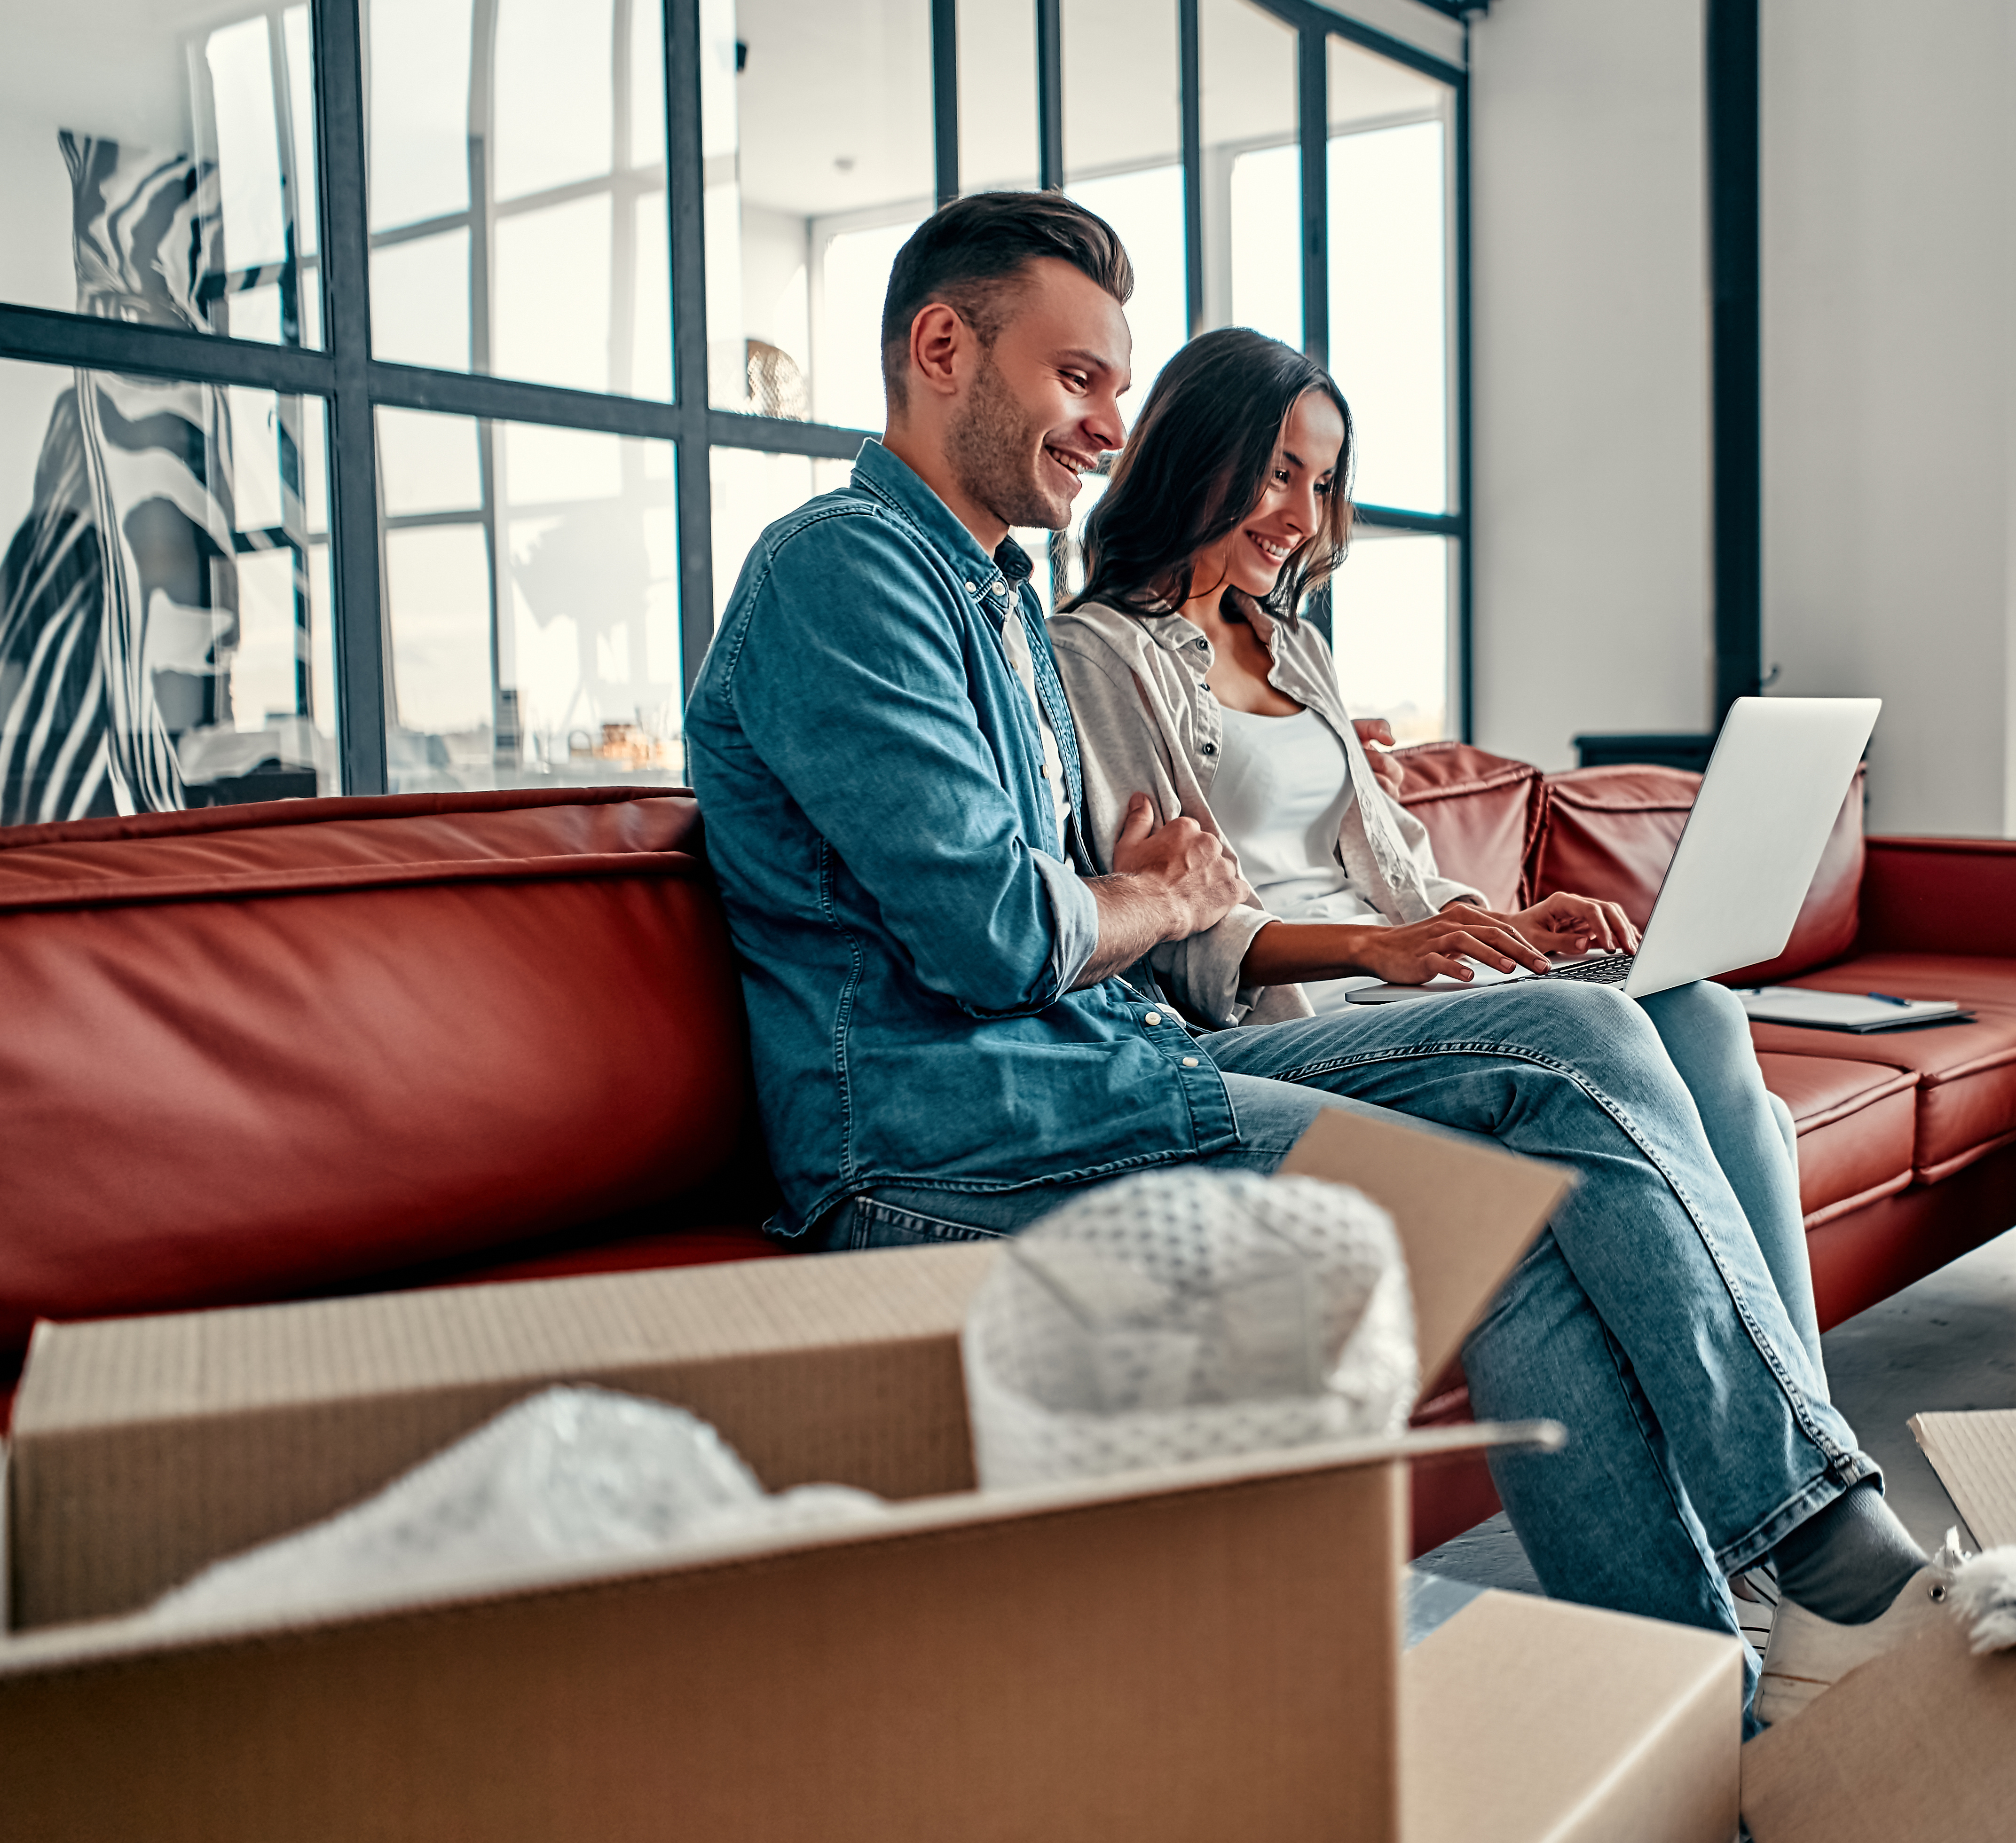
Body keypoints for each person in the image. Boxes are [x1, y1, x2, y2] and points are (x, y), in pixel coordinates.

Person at [683, 190, 1942, 1728]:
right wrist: (1145, 905)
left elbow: (1055, 907)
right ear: (941, 347)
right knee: (1575, 1049)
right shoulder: (843, 574)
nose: (1106, 423)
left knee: (1525, 1197)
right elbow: (1001, 932)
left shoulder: (989, 596)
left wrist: (1136, 901)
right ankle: (1821, 1535)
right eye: (1077, 377)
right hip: (931, 1145)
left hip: (1088, 1082)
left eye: (1115, 385)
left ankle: (1695, 1707)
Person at [1048, 325, 1826, 1379]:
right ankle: (1798, 1457)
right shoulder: (1096, 651)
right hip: (1301, 1016)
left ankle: (1809, 1435)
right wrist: (1379, 946)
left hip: (1400, 981)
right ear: (1197, 450)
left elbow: (1398, 866)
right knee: (1611, 1038)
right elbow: (1181, 934)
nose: (1300, 517)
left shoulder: (1295, 647)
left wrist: (1506, 922)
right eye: (1279, 473)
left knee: (1698, 1008)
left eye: (1321, 484)